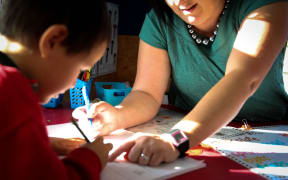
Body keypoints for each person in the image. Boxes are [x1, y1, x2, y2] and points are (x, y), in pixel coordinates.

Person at [78, 0, 288, 166]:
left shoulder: (264, 4)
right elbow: (147, 94)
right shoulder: (159, 20)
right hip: (191, 133)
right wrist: (118, 116)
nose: (179, 1)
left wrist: (174, 140)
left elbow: (243, 78)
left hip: (267, 132)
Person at [0, 0, 113, 179]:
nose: (73, 84)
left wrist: (47, 144)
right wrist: (91, 158)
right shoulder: (15, 97)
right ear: (53, 41)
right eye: (81, 69)